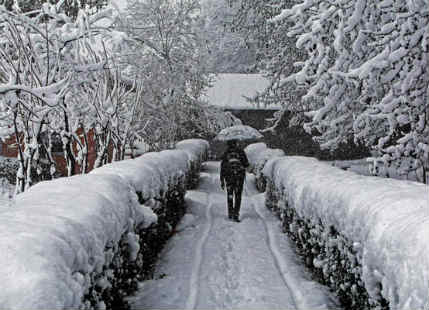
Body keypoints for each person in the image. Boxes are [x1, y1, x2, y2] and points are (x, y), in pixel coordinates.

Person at [220, 139, 249, 222]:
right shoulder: (241, 151)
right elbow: (246, 164)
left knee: (230, 194)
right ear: (236, 143)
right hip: (239, 176)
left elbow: (222, 167)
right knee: (238, 195)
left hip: (228, 177)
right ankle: (236, 214)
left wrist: (222, 179)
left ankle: (230, 213)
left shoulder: (226, 153)